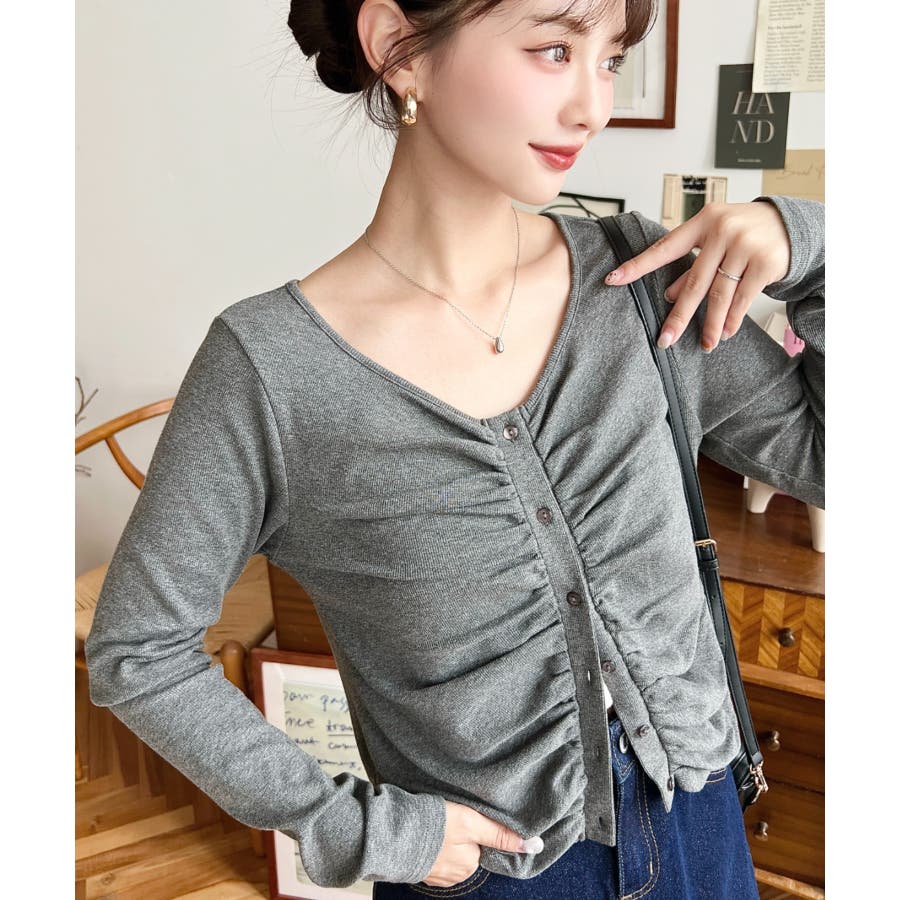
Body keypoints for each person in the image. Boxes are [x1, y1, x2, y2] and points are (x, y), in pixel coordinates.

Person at [84, 0, 824, 897]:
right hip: (492, 873)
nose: (594, 106)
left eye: (610, 57)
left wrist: (814, 247)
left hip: (701, 826)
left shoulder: (644, 282)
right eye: (554, 49)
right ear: (399, 47)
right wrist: (351, 825)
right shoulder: (271, 369)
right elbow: (139, 650)